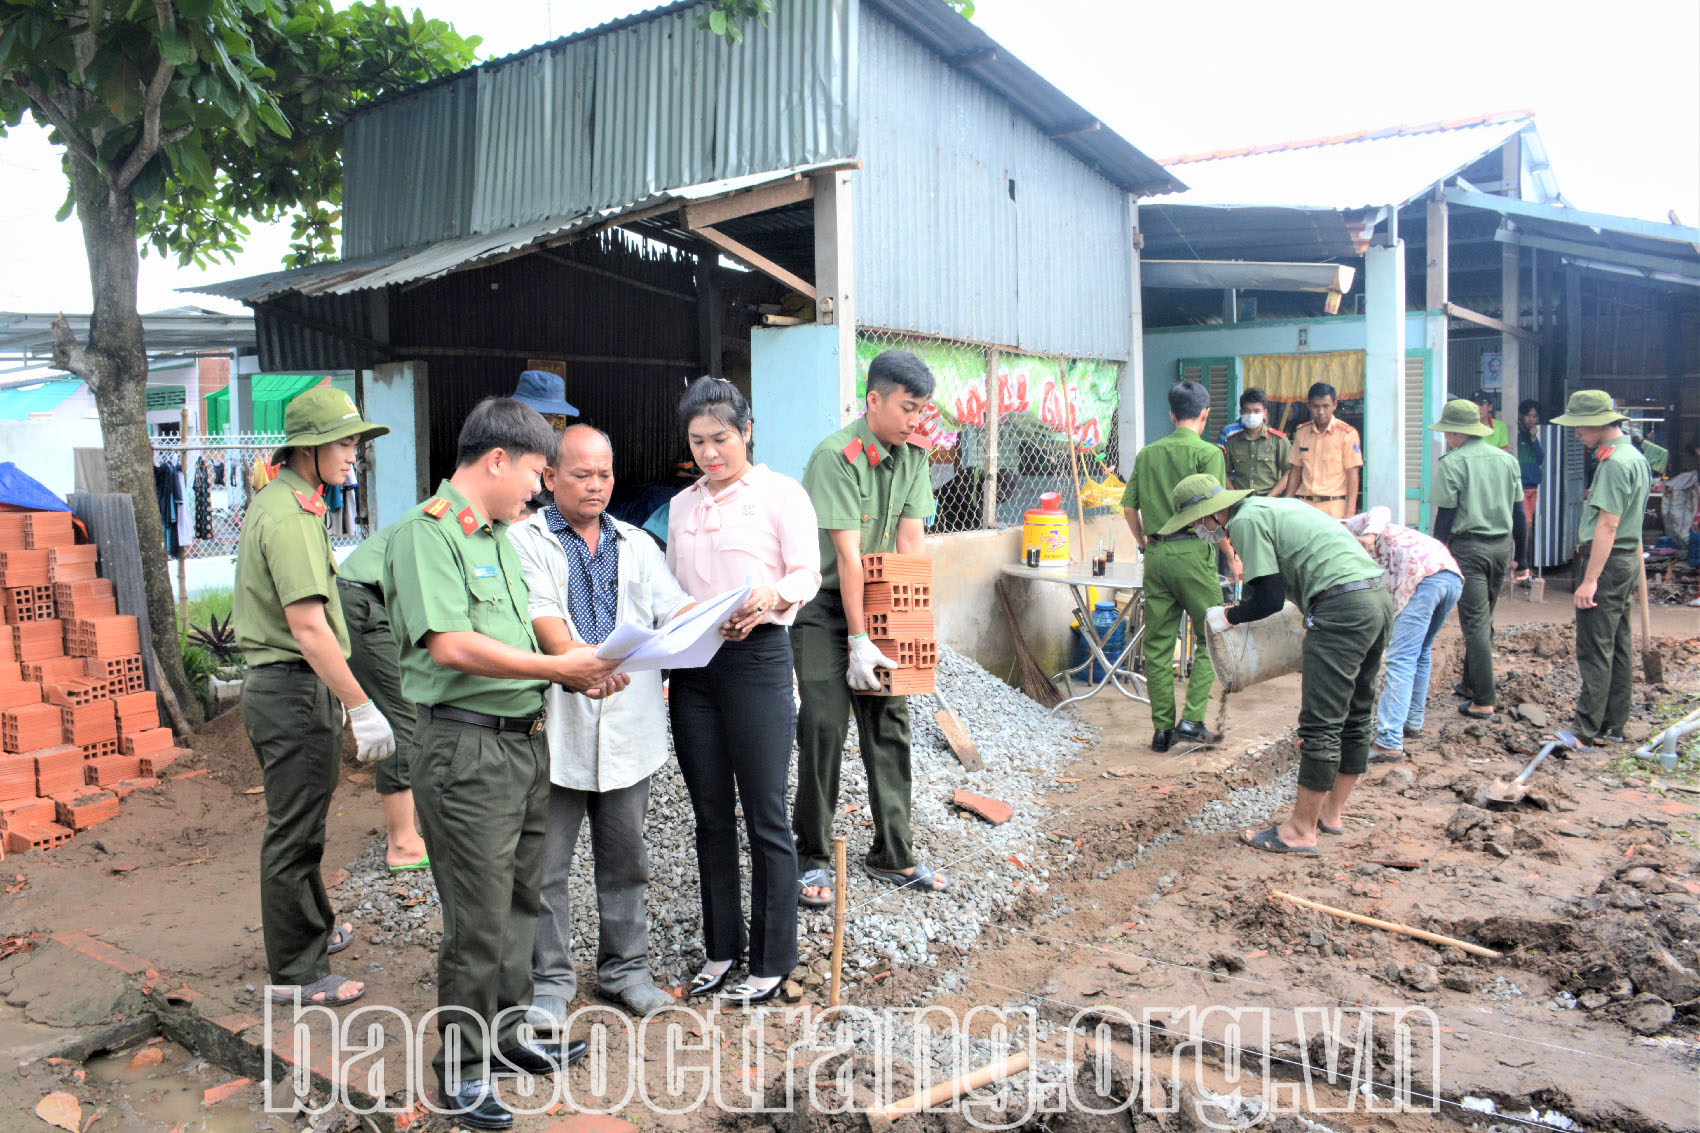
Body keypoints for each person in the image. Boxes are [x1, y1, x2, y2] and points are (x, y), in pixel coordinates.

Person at [383, 398, 626, 1129]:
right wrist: (560, 669)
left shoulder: (497, 536)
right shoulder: (429, 535)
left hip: (521, 741)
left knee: (525, 898)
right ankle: (458, 1069)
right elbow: (451, 644)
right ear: (495, 460)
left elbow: (528, 633)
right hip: (465, 749)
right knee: (478, 917)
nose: (537, 487)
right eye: (533, 471)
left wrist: (583, 663)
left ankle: (508, 1035)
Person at [509, 425, 694, 1022]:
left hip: (628, 727)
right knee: (545, 866)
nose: (597, 486)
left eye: (605, 474)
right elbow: (544, 621)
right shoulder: (525, 541)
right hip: (558, 724)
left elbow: (673, 607)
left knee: (627, 860)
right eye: (582, 474)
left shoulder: (637, 543)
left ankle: (625, 971)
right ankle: (550, 983)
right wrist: (579, 668)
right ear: (551, 478)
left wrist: (715, 612)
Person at [232, 387, 394, 1009]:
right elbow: (308, 627)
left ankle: (314, 930)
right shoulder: (292, 513)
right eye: (347, 443)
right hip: (293, 687)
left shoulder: (285, 500)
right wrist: (360, 704)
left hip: (293, 688)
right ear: (310, 447)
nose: (354, 456)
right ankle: (297, 974)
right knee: (295, 832)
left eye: (354, 442)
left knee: (304, 826)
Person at [667, 377, 822, 1005]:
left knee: (764, 813)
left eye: (721, 438)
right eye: (699, 441)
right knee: (709, 816)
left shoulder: (781, 495)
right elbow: (674, 584)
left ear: (747, 431)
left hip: (758, 658)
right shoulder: (682, 506)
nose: (710, 453)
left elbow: (807, 572)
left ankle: (772, 957)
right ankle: (720, 949)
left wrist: (770, 597)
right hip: (694, 665)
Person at [1159, 474, 1390, 853]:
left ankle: (1301, 830)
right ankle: (1330, 815)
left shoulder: (1246, 522)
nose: (1199, 530)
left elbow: (1267, 599)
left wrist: (1227, 617)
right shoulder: (1276, 507)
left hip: (1341, 610)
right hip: (1375, 598)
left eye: (1198, 522)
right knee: (1357, 712)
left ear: (1215, 512)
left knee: (1321, 722)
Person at [794, 350, 948, 907]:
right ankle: (810, 856)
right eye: (908, 408)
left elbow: (909, 544)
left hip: (884, 598)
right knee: (824, 724)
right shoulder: (835, 457)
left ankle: (893, 853)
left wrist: (910, 624)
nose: (914, 420)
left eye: (922, 410)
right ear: (875, 399)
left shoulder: (913, 458)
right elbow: (848, 556)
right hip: (824, 608)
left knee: (890, 722)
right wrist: (858, 641)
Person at [1120, 380, 1230, 753]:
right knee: (1212, 636)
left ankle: (1162, 730)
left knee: (1158, 646)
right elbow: (1212, 514)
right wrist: (1229, 551)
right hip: (1193, 552)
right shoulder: (1209, 452)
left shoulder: (1148, 454)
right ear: (1204, 415)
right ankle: (1192, 719)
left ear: (1170, 415)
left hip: (1156, 555)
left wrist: (1143, 543)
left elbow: (1128, 508)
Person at [1549, 390, 1651, 752]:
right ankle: (1612, 723)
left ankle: (1584, 729)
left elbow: (1607, 526)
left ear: (1597, 423)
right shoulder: (1634, 456)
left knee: (1594, 647)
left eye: (1579, 427)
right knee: (1618, 644)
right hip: (1624, 561)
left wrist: (1589, 580)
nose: (1577, 435)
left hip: (1605, 561)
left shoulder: (1613, 464)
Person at [336, 525, 427, 872]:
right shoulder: (460, 522)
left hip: (375, 601)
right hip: (364, 603)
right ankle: (402, 844)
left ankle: (412, 826)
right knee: (401, 716)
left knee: (411, 709)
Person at [1430, 399, 1525, 721]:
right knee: (1485, 618)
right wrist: (1522, 557)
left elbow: (1445, 516)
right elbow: (1519, 513)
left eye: (1447, 433)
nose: (1446, 438)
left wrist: (1436, 555)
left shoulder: (1453, 463)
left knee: (1475, 624)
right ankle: (1471, 682)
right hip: (1502, 547)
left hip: (1469, 550)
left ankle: (1484, 699)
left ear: (1456, 433)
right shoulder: (1506, 460)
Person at [1343, 507, 1463, 761]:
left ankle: (1388, 741)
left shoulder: (1349, 529)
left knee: (1401, 659)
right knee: (1420, 652)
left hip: (1422, 577)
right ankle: (1413, 721)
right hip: (1450, 575)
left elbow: (1381, 510)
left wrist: (1369, 536)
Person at [1284, 382, 1363, 519]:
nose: (1320, 412)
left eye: (1325, 406)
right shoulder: (1302, 432)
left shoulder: (1347, 434)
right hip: (1304, 506)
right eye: (1316, 406)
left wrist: (1350, 512)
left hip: (1334, 507)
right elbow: (1295, 470)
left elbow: (1352, 475)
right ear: (1309, 406)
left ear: (1334, 405)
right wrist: (1286, 504)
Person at [1221, 387, 1292, 497]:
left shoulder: (1279, 441)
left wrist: (1269, 498)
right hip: (1241, 501)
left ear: (1265, 413)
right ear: (1240, 413)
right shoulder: (1232, 442)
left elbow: (1288, 473)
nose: (1251, 415)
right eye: (1247, 411)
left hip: (1270, 501)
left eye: (1257, 411)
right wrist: (1235, 497)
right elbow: (1223, 474)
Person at [1515, 400, 1543, 583]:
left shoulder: (1532, 436)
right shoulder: (1516, 433)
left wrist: (1534, 439)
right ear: (1520, 416)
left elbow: (1540, 458)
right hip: (1521, 486)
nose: (1531, 419)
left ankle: (1525, 565)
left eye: (1534, 416)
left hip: (1533, 485)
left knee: (1529, 526)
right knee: (1526, 525)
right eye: (1528, 415)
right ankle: (1523, 567)